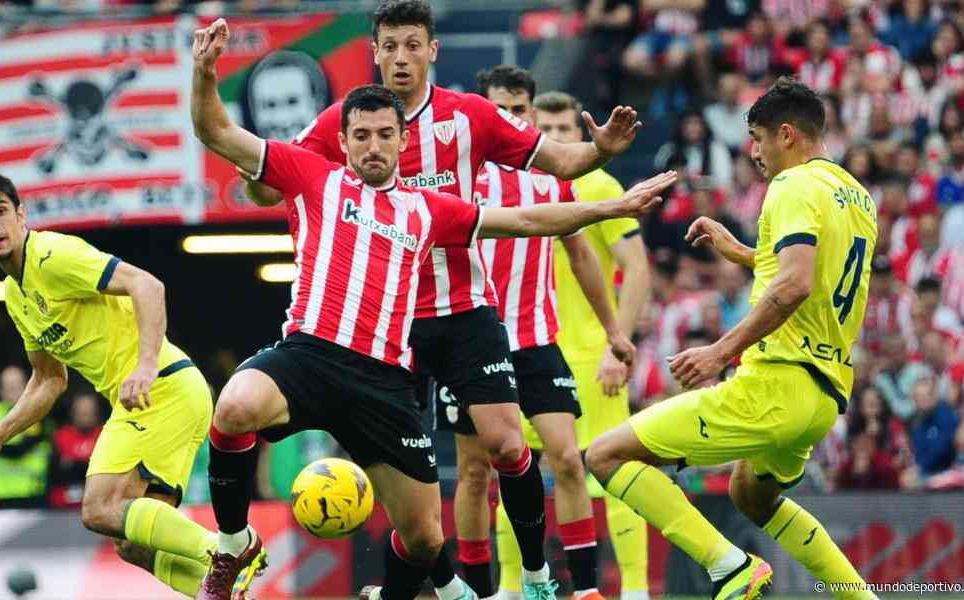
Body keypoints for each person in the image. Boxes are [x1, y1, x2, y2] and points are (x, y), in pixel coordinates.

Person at [188, 17, 675, 600]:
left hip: (394, 370)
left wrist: (609, 202)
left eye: (384, 135)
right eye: (361, 135)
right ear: (341, 140)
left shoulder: (428, 208)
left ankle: (494, 585)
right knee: (235, 405)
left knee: (426, 533)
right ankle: (234, 543)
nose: (373, 145)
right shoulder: (314, 175)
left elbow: (525, 219)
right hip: (313, 354)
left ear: (402, 139)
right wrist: (204, 71)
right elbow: (217, 131)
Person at [584, 79, 879, 600]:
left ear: (787, 134)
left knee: (606, 456)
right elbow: (813, 271)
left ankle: (731, 568)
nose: (754, 152)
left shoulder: (792, 186)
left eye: (759, 138)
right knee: (752, 497)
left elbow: (794, 283)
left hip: (775, 384)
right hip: (823, 395)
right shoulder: (856, 197)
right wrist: (743, 252)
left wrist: (720, 352)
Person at [0, 173, 237, 599]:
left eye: (0, 211)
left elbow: (147, 285)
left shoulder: (52, 255)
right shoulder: (16, 293)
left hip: (159, 387)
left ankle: (227, 553)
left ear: (20, 215)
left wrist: (144, 365)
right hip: (169, 395)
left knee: (99, 507)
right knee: (131, 544)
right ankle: (227, 593)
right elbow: (49, 379)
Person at [437, 71, 634, 600]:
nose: (511, 118)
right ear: (484, 112)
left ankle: (586, 590)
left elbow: (582, 256)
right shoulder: (460, 178)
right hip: (471, 344)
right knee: (476, 472)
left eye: (518, 109)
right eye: (500, 108)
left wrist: (615, 330)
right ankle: (479, 590)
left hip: (536, 341)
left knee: (568, 459)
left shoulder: (549, 178)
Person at [0, 365, 51, 507]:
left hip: (29, 494)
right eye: (7, 387)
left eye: (16, 386)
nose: (11, 392)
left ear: (27, 386)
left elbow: (20, 450)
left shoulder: (38, 414)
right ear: (0, 391)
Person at [50, 391, 104, 509]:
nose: (85, 414)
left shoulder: (106, 435)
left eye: (89, 410)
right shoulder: (61, 436)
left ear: (96, 412)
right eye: (81, 411)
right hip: (63, 505)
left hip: (98, 504)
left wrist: (73, 463)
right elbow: (56, 473)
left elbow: (107, 473)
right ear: (73, 412)